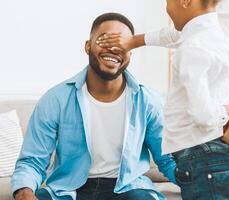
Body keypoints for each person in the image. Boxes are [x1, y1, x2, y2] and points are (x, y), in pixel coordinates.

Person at [11, 12, 176, 200]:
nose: (113, 49)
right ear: (88, 46)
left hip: (127, 190)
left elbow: (167, 158)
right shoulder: (55, 99)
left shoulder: (148, 100)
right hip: (68, 191)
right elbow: (33, 160)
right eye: (105, 40)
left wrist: (201, 183)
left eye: (122, 44)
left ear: (130, 53)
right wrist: (24, 192)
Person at [97, 0, 229, 199]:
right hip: (220, 156)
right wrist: (134, 41)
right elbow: (173, 35)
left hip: (204, 158)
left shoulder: (193, 47)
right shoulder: (215, 32)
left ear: (185, 1)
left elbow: (203, 116)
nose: (166, 8)